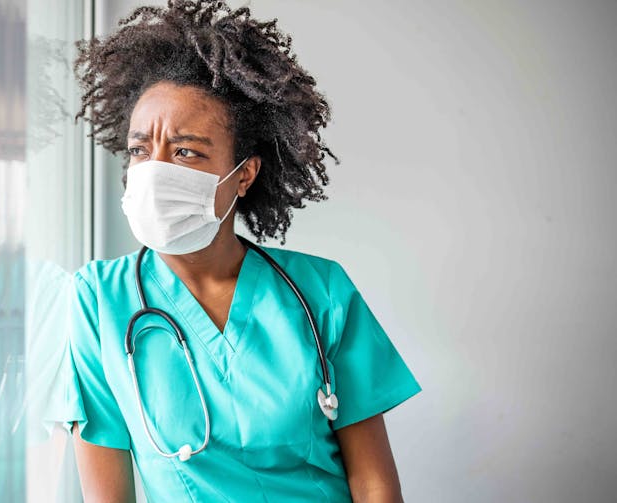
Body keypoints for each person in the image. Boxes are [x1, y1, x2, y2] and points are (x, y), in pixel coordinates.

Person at [59, 1, 422, 501]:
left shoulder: (322, 292)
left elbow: (374, 483)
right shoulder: (97, 300)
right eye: (142, 150)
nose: (153, 171)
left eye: (185, 151)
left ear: (244, 175)